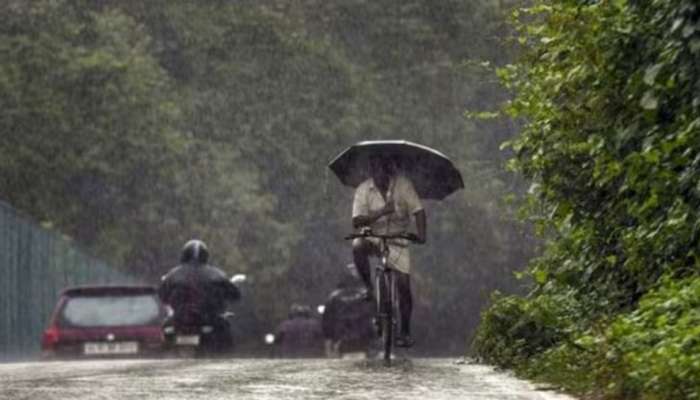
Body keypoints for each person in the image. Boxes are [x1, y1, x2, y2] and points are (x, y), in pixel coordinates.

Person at [351, 154, 426, 348]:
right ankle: (368, 287)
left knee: (403, 286)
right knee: (357, 245)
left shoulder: (403, 186)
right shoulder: (363, 189)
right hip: (374, 236)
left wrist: (421, 235)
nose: (380, 176)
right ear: (372, 173)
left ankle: (405, 331)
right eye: (376, 172)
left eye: (384, 171)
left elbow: (419, 211)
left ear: (390, 170)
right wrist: (382, 212)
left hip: (398, 238)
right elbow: (357, 221)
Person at [158, 239, 241, 350]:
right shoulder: (216, 274)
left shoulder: (173, 274)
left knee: (165, 329)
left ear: (184, 255)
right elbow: (235, 294)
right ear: (205, 256)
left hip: (180, 319)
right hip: (209, 318)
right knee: (225, 330)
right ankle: (225, 357)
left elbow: (162, 295)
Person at [322, 264, 375, 358]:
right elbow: (373, 318)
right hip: (362, 341)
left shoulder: (334, 297)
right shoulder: (366, 295)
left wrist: (329, 345)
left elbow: (327, 323)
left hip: (342, 341)